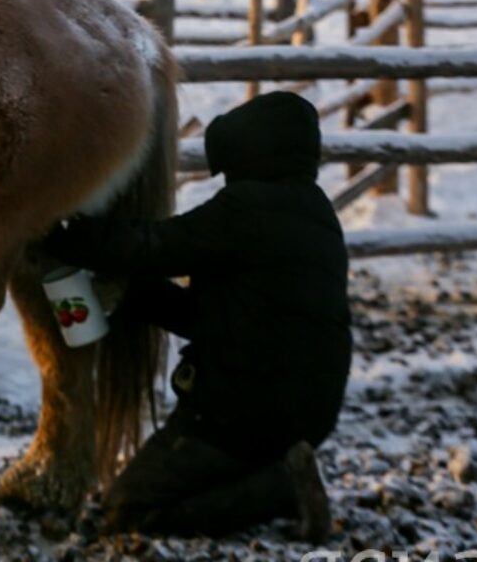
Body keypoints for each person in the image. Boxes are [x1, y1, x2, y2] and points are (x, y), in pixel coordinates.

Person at [42, 91, 351, 543]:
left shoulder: (247, 208)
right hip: (305, 410)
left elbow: (158, 245)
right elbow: (225, 320)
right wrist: (136, 296)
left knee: (129, 507)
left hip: (236, 411)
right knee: (185, 478)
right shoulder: (316, 213)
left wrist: (68, 238)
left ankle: (280, 489)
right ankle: (274, 471)